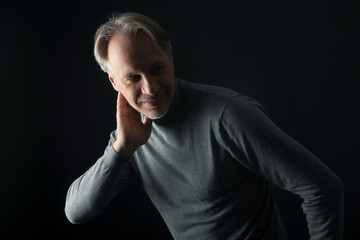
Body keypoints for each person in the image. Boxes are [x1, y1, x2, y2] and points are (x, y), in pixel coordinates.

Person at [65, 12, 343, 239]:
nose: (149, 87)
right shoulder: (129, 138)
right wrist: (121, 149)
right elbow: (75, 212)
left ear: (170, 60)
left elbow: (322, 188)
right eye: (133, 78)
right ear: (114, 82)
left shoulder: (227, 115)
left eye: (156, 69)